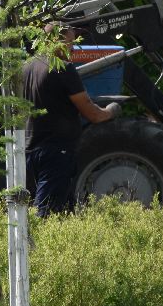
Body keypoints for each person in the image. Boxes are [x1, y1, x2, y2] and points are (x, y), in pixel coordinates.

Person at [22, 24, 121, 217]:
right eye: (70, 43)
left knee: (65, 211)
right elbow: (93, 114)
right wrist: (111, 111)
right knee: (46, 214)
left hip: (31, 149)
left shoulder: (27, 66)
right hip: (56, 152)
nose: (74, 49)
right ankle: (36, 247)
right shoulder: (63, 69)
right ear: (53, 42)